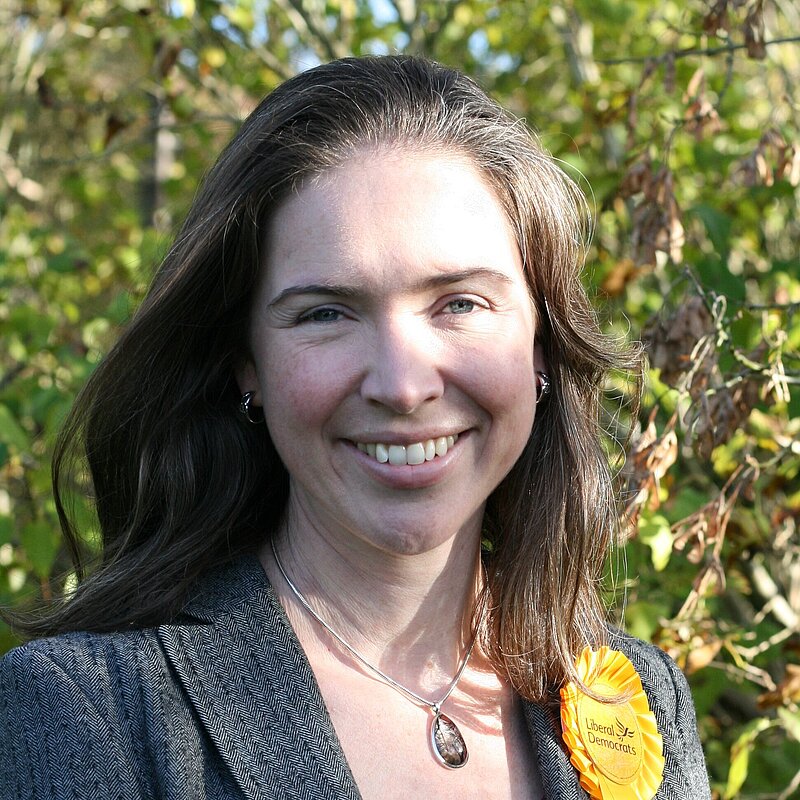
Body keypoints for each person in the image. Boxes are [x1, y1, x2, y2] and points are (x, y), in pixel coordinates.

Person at [0, 55, 710, 799]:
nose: (402, 387)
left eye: (460, 303)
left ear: (541, 342)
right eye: (326, 314)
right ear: (248, 367)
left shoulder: (642, 699)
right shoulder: (94, 713)